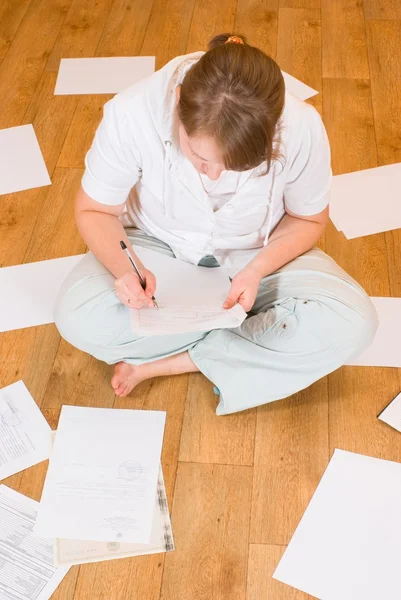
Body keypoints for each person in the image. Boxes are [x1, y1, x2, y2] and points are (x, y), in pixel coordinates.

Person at [55, 33, 377, 415]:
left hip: (259, 253)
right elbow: (94, 211)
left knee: (355, 323)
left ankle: (176, 361)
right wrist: (126, 270)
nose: (213, 177)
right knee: (76, 317)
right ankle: (251, 339)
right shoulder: (131, 113)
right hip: (157, 250)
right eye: (200, 158)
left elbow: (307, 218)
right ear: (178, 104)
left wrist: (258, 269)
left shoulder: (301, 125)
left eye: (234, 166)